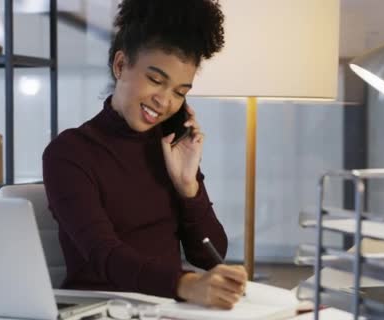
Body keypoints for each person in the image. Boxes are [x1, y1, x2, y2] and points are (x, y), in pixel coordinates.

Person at [43, 0, 247, 309]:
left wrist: (188, 187)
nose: (165, 102)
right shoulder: (69, 153)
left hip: (167, 307)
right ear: (121, 65)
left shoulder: (169, 146)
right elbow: (104, 255)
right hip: (100, 310)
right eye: (155, 80)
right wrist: (186, 284)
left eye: (180, 92)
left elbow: (209, 255)